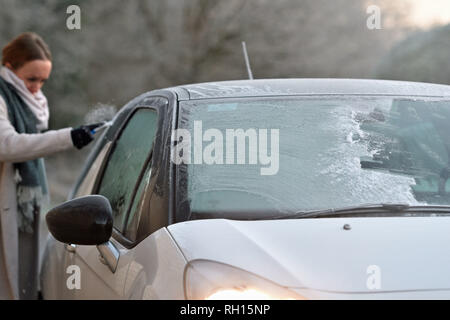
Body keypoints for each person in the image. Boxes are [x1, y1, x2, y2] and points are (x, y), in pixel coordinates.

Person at [0, 32, 96, 300]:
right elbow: (8, 144)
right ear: (9, 69)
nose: (37, 87)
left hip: (23, 203)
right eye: (31, 78)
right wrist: (69, 137)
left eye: (43, 80)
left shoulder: (30, 102)